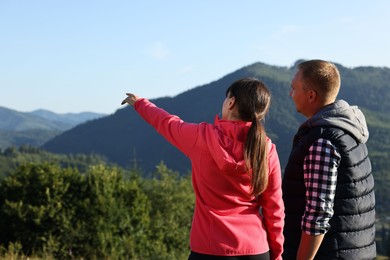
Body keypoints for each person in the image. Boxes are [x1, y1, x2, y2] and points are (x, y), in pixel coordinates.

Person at [121, 78, 284, 260]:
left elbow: (167, 123)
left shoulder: (201, 138)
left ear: (231, 103)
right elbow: (274, 209)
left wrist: (140, 103)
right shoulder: (267, 150)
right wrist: (276, 254)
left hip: (210, 248)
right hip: (257, 249)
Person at [282, 59, 376, 259]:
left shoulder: (322, 141)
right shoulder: (350, 132)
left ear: (310, 95)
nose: (290, 94)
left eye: (293, 88)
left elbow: (317, 216)